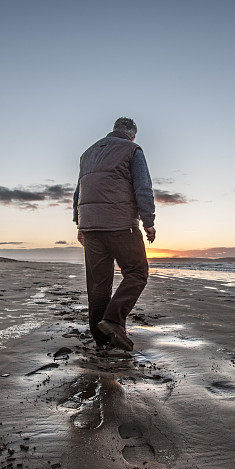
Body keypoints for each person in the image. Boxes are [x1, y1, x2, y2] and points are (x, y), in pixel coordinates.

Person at [72, 117, 156, 351]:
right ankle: (113, 321)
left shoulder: (87, 153)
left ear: (113, 130)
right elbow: (143, 187)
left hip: (91, 228)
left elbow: (79, 191)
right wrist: (148, 222)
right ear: (133, 134)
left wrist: (79, 223)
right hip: (121, 225)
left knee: (98, 285)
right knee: (137, 273)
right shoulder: (132, 149)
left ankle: (102, 340)